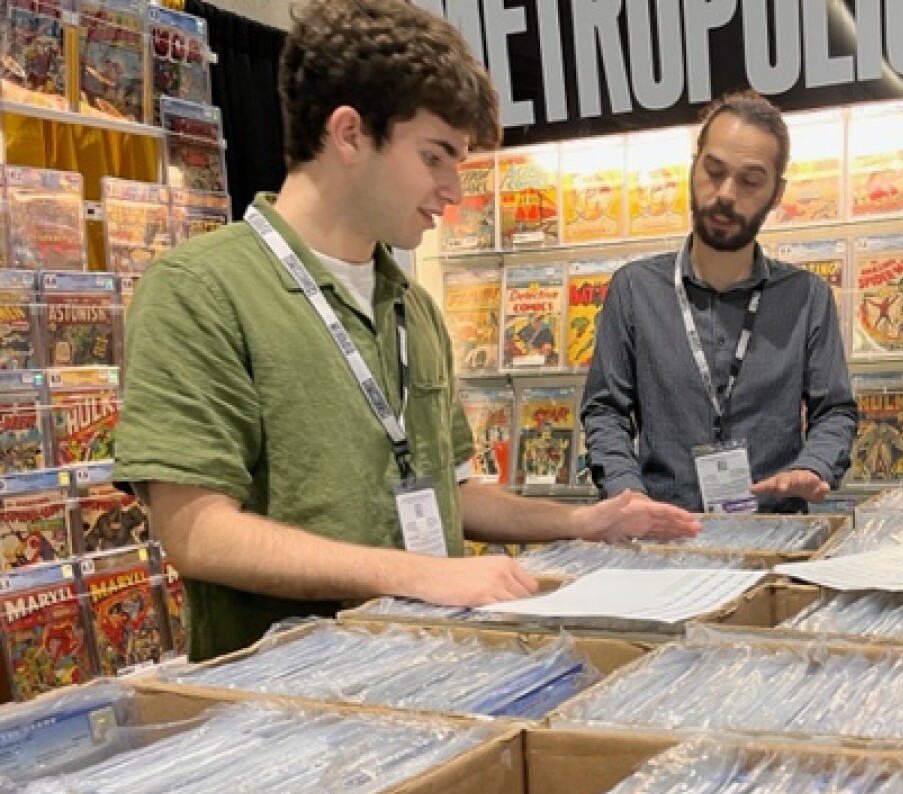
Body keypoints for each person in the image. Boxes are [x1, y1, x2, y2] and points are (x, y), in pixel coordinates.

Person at [113, 0, 696, 662]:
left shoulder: (411, 307)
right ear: (349, 134)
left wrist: (585, 521)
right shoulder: (200, 290)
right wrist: (418, 574)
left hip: (429, 670)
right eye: (434, 157)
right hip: (287, 699)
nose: (453, 190)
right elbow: (198, 533)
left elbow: (454, 494)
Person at [581, 88, 857, 514]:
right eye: (714, 171)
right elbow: (606, 411)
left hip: (774, 534)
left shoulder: (807, 297)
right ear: (693, 168)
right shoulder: (634, 290)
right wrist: (625, 491)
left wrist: (814, 465)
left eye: (750, 181)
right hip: (661, 530)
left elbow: (835, 409)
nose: (726, 193)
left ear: (776, 194)